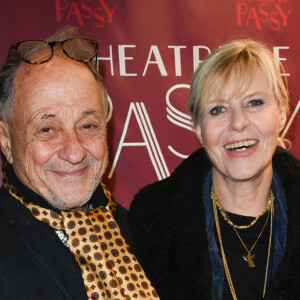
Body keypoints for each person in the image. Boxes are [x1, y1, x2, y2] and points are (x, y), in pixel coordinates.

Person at [129, 39, 300, 299]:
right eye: (218, 109)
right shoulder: (154, 218)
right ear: (198, 127)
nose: (238, 123)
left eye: (254, 102)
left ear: (283, 113)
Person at [0, 27, 158, 300]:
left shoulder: (143, 230)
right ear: (6, 141)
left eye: (88, 125)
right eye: (47, 129)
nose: (74, 152)